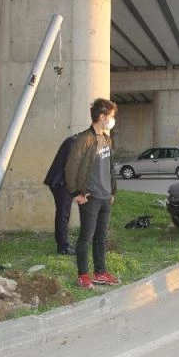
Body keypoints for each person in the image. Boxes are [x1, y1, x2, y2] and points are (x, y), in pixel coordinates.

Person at [65, 98, 121, 289]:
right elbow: (71, 167)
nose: (113, 120)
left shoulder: (106, 138)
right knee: (86, 237)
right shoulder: (84, 139)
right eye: (111, 116)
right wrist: (75, 193)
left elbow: (109, 168)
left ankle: (100, 273)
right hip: (90, 197)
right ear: (102, 117)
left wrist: (111, 191)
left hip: (105, 197)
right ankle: (82, 275)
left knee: (101, 237)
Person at [44, 134, 77, 255]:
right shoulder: (74, 142)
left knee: (63, 213)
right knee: (63, 213)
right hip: (60, 182)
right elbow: (71, 168)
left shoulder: (75, 141)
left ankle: (63, 244)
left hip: (61, 181)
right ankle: (63, 246)